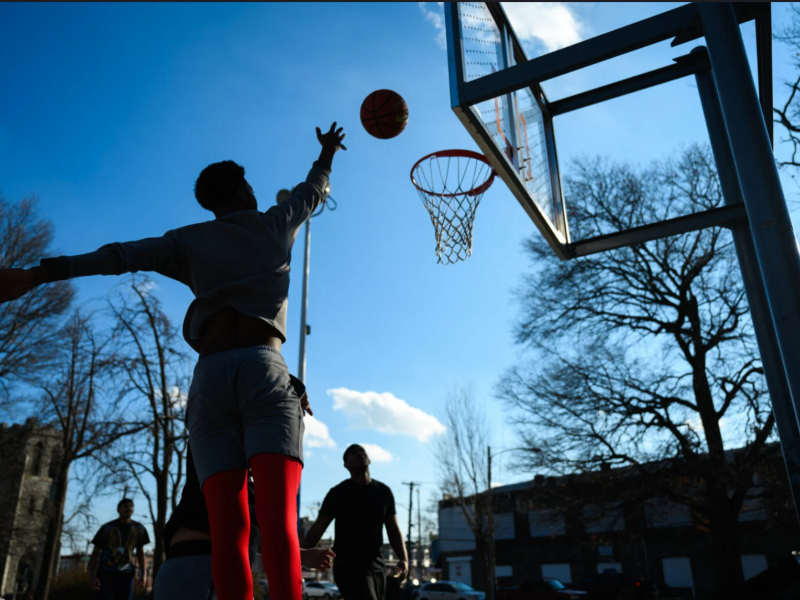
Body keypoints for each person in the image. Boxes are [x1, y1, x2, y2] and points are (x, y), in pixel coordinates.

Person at [0, 122, 347, 600]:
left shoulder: (187, 240)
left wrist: (39, 274)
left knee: (229, 534)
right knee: (280, 524)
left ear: (209, 204)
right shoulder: (274, 222)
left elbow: (117, 256)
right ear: (245, 189)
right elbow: (314, 189)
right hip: (264, 367)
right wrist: (327, 153)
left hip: (209, 379)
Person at [155, 376, 335, 600]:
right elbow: (240, 376)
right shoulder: (212, 455)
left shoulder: (257, 491)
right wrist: (292, 387)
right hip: (197, 563)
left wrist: (302, 556)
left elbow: (259, 538)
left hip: (209, 571)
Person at [302, 444, 409, 600]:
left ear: (369, 459)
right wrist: (300, 558)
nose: (359, 454)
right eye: (353, 453)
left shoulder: (384, 492)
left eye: (362, 451)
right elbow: (317, 529)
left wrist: (404, 559)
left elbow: (393, 530)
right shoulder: (337, 493)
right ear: (346, 465)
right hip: (348, 566)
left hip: (377, 566)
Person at [87, 498, 150, 600]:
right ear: (118, 509)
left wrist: (143, 574)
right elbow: (95, 554)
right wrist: (92, 576)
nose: (128, 508)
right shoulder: (107, 528)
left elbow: (140, 552)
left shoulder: (139, 529)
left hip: (127, 575)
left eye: (131, 506)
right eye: (125, 506)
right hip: (106, 574)